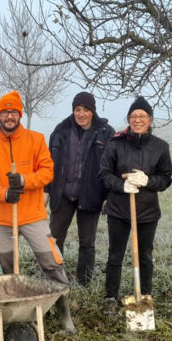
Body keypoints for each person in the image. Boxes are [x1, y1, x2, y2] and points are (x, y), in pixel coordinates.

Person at [0, 90, 76, 335]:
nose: (9, 116)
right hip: (1, 218)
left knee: (51, 263)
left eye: (13, 112)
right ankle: (13, 313)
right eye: (5, 112)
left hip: (33, 216)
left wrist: (24, 180)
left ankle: (64, 313)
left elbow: (47, 172)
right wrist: (3, 193)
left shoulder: (36, 140)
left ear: (20, 114)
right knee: (8, 271)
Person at [98, 97, 172, 315]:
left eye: (142, 116)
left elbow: (166, 178)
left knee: (145, 255)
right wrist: (122, 185)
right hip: (118, 210)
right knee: (115, 255)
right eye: (133, 116)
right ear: (128, 119)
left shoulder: (160, 147)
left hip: (147, 211)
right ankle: (110, 297)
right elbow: (104, 174)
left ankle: (145, 295)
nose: (138, 120)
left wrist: (148, 181)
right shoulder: (115, 144)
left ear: (150, 120)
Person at [47, 91, 114, 286]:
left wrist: (108, 195)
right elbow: (49, 163)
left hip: (90, 194)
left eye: (85, 110)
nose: (81, 114)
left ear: (93, 111)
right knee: (54, 238)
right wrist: (47, 189)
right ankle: (55, 278)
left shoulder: (105, 132)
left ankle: (84, 281)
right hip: (63, 193)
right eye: (77, 109)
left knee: (87, 242)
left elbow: (111, 166)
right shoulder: (61, 130)